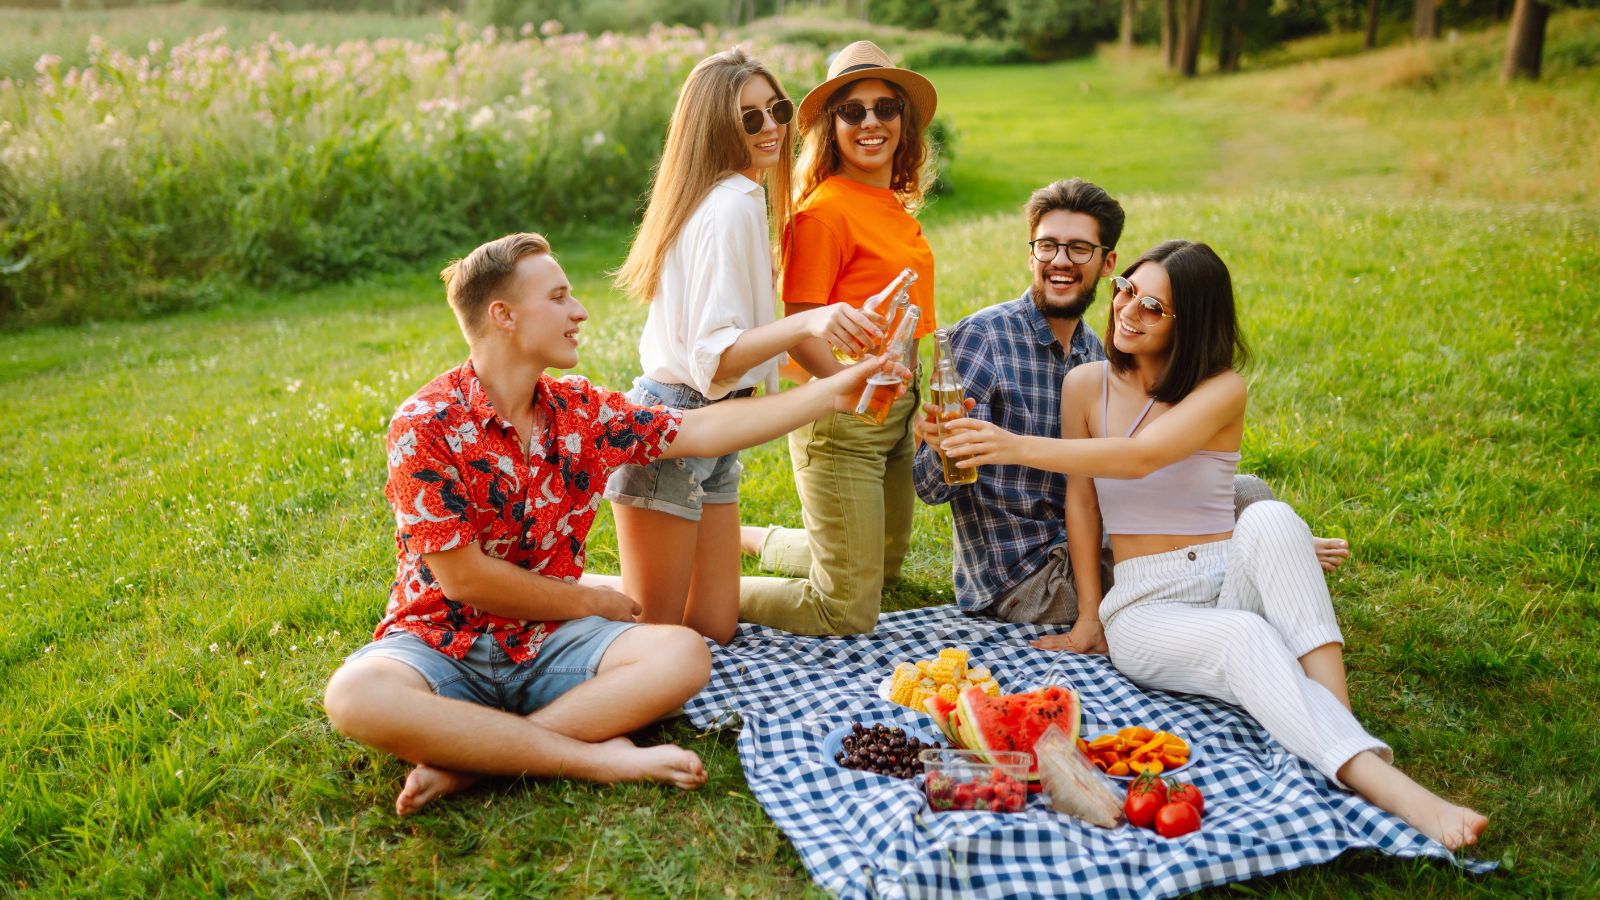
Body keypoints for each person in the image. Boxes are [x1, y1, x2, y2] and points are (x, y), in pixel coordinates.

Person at [322, 233, 898, 815]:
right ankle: (592, 758)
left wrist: (830, 393)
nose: (580, 311)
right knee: (354, 695)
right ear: (504, 315)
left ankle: (471, 760)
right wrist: (588, 603)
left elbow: (701, 430)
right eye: (559, 297)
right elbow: (465, 580)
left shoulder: (578, 410)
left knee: (684, 656)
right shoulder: (424, 424)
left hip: (546, 646)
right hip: (441, 643)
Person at [940, 240, 1487, 851]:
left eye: (1153, 306)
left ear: (1190, 323)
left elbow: (1141, 456)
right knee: (1248, 637)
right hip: (1146, 609)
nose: (1127, 310)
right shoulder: (1084, 385)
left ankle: (1341, 728)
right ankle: (1394, 789)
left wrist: (1011, 444)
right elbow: (1084, 502)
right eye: (1126, 289)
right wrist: (1091, 617)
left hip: (1227, 576)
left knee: (1275, 519)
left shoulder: (1221, 388)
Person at [913, 179, 1347, 649]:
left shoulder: (1094, 351)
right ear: (1031, 254)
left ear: (1108, 264)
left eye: (1079, 248)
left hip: (1095, 533)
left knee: (1248, 492)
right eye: (1047, 246)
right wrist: (942, 447)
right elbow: (929, 488)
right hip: (1028, 577)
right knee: (1212, 552)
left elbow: (1134, 463)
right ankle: (1273, 568)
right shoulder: (983, 338)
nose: (1060, 260)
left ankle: (1276, 554)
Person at [605, 50, 883, 645]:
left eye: (775, 109)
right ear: (714, 127)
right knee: (649, 636)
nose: (770, 127)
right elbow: (714, 360)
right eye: (748, 117)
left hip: (714, 426)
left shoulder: (723, 195)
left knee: (714, 628)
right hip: (676, 429)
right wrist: (812, 323)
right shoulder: (729, 202)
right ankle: (564, 596)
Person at [737, 41, 940, 635]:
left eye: (885, 108)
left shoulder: (890, 204)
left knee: (885, 566)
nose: (871, 122)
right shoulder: (823, 213)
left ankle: (746, 539)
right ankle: (703, 582)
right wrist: (847, 392)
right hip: (841, 414)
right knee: (847, 610)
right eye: (853, 111)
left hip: (894, 407)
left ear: (903, 120)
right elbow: (799, 331)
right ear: (832, 127)